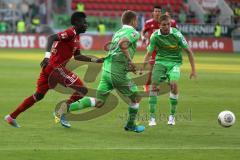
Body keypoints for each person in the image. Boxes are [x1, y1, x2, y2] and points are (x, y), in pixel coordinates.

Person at [4, 12, 103, 128]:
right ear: (76, 23)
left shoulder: (76, 37)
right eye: (84, 22)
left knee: (38, 95)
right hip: (55, 68)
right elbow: (51, 37)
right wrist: (46, 56)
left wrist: (95, 60)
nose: (86, 24)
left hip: (49, 69)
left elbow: (77, 56)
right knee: (82, 90)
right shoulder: (71, 32)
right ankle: (61, 112)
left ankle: (11, 117)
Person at [57, 10, 145, 133]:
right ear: (134, 21)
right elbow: (122, 45)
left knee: (98, 102)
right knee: (136, 98)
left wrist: (127, 64)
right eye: (136, 21)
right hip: (117, 73)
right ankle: (131, 125)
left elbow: (115, 51)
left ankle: (64, 109)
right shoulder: (134, 33)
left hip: (107, 70)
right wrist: (130, 62)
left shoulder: (118, 32)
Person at [141, 14, 197, 126]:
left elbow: (189, 52)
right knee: (154, 86)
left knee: (174, 84)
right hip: (160, 62)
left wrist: (193, 70)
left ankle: (172, 116)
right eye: (164, 25)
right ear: (159, 25)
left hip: (175, 63)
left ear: (170, 24)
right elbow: (148, 53)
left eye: (168, 24)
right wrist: (142, 68)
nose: (166, 26)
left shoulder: (177, 34)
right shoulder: (155, 36)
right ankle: (152, 118)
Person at [141, 6, 177, 92]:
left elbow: (173, 31)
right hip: (152, 48)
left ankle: (159, 83)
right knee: (152, 68)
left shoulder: (164, 23)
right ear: (153, 13)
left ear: (161, 13)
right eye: (156, 11)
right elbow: (143, 31)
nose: (157, 13)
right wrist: (143, 37)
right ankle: (147, 85)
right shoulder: (149, 23)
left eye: (159, 11)